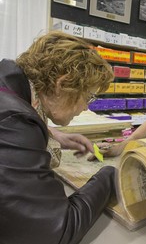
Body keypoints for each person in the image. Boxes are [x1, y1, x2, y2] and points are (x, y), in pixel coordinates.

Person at [0, 31, 116, 244]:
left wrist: (53, 135)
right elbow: (57, 232)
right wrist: (108, 178)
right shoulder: (14, 123)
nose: (85, 107)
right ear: (62, 84)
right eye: (88, 96)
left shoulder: (8, 87)